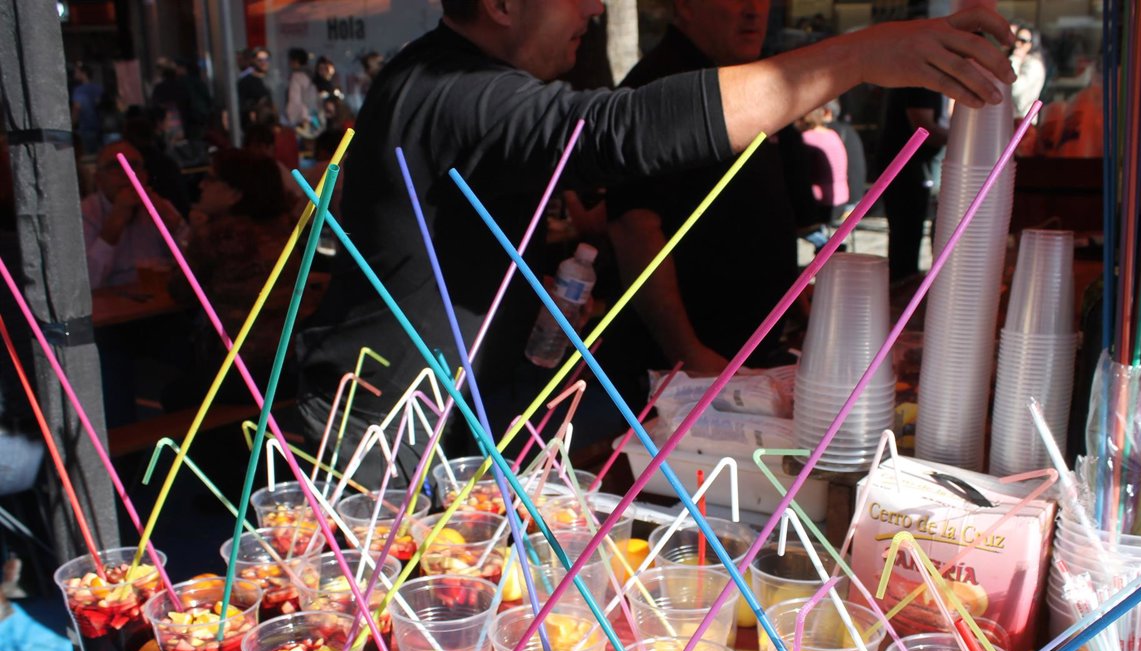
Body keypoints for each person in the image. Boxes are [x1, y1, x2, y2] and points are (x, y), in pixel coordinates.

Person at [294, 0, 1016, 476]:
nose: (595, 8)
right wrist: (856, 59)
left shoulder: (454, 82)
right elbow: (618, 132)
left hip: (449, 418)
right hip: (378, 441)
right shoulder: (451, 88)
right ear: (503, 4)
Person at [601, 0, 813, 393]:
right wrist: (687, 354)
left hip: (750, 354)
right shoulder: (661, 86)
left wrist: (798, 303)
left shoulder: (746, 80)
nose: (754, 9)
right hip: (685, 375)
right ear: (684, 6)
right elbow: (634, 227)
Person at [164, 149, 300, 407]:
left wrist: (193, 232)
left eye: (211, 178)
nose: (201, 185)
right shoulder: (287, 228)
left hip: (241, 368)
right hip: (289, 363)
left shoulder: (220, 236)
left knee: (173, 394)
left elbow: (180, 290)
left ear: (235, 193)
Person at [80, 141, 186, 289]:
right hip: (112, 301)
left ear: (145, 176)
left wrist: (174, 224)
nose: (126, 173)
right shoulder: (85, 214)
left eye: (134, 166)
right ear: (98, 179)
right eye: (115, 167)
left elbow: (196, 266)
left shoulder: (161, 206)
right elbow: (86, 284)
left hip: (160, 297)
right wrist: (114, 224)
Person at [877, 85, 948, 282]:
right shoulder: (922, 84)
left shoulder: (926, 84)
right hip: (905, 167)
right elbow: (923, 128)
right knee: (906, 232)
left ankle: (904, 281)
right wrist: (962, 137)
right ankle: (902, 284)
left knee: (909, 232)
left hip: (910, 166)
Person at [1009, 21, 1046, 120]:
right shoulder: (1023, 60)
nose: (1017, 44)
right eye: (1016, 39)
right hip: (1013, 118)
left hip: (1024, 120)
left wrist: (1015, 59)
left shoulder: (1033, 64)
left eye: (1023, 41)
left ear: (1032, 43)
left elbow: (1015, 89)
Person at [284, 48, 320, 138]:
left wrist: (292, 119)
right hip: (313, 118)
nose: (289, 63)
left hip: (301, 120)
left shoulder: (296, 77)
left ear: (295, 61)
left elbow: (294, 100)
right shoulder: (310, 75)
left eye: (290, 60)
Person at [70, 63, 104, 154]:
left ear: (84, 73)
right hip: (100, 128)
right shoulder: (99, 88)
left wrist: (72, 124)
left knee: (88, 155)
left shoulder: (79, 90)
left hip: (86, 128)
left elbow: (77, 108)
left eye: (77, 72)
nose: (74, 74)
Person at [237, 47, 274, 127]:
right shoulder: (245, 82)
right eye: (260, 60)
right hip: (255, 126)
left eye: (266, 59)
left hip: (274, 124)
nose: (264, 63)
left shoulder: (274, 79)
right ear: (253, 61)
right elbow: (241, 106)